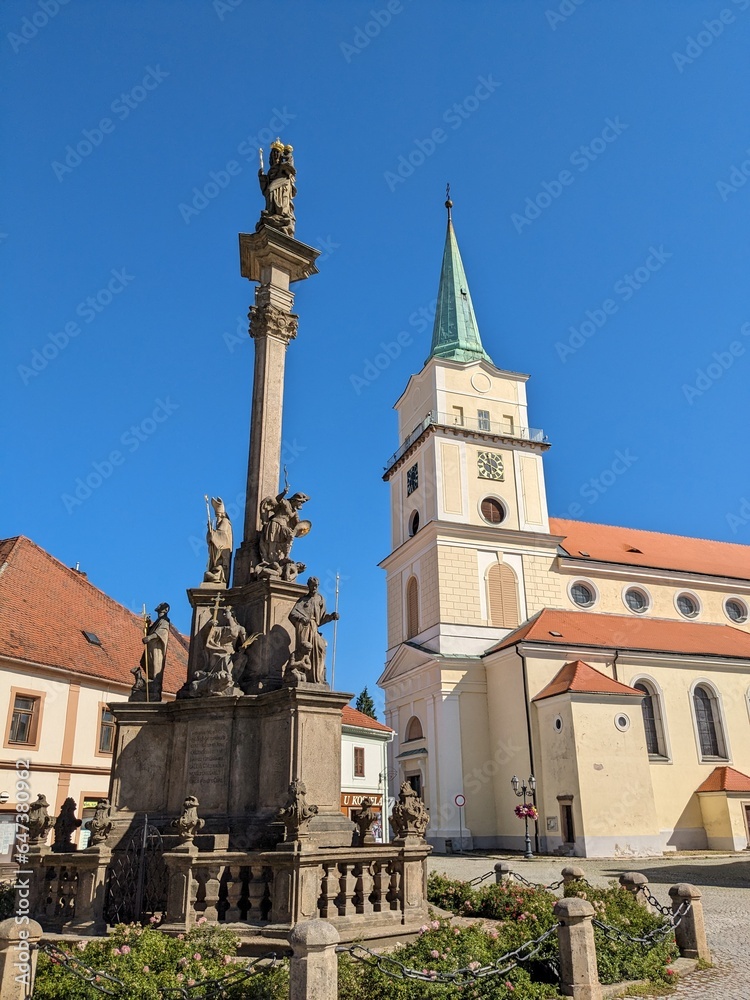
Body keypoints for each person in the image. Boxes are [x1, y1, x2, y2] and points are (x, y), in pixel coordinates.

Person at [288, 577, 338, 684]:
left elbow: (321, 619)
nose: (314, 588)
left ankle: (318, 676)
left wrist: (331, 617)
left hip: (314, 627)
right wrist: (301, 618)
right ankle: (303, 675)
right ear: (308, 586)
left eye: (316, 586)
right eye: (312, 586)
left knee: (320, 648)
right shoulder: (302, 600)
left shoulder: (320, 599)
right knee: (304, 650)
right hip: (304, 629)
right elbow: (292, 614)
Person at [139, 602, 171, 701]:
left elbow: (162, 632)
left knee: (156, 668)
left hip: (157, 649)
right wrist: (148, 625)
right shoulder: (158, 620)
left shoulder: (165, 621)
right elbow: (151, 631)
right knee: (150, 668)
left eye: (161, 605)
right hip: (151, 648)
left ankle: (155, 692)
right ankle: (150, 687)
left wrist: (150, 637)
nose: (158, 605)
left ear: (165, 610)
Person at [204, 497, 233, 585]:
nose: (217, 517)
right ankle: (214, 574)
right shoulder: (219, 523)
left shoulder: (225, 521)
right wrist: (210, 531)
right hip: (218, 550)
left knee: (217, 563)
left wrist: (212, 533)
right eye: (216, 515)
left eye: (218, 515)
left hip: (222, 551)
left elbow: (222, 535)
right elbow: (214, 537)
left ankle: (218, 575)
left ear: (222, 514)